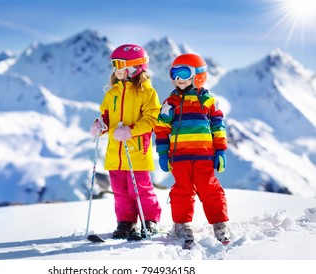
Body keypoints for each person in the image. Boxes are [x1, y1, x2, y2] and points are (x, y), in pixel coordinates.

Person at [154, 53, 230, 249]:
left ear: (198, 75)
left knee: (209, 189)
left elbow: (218, 127)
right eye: (174, 73)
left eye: (183, 73)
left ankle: (220, 223)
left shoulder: (208, 100)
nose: (177, 79)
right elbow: (161, 128)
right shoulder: (170, 103)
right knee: (182, 191)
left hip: (205, 155)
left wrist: (220, 151)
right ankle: (181, 224)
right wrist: (163, 153)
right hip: (179, 157)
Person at [90, 44, 162, 239]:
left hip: (136, 151)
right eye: (114, 64)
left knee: (140, 190)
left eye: (120, 64)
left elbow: (151, 120)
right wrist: (100, 125)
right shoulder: (112, 93)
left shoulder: (147, 93)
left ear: (135, 66)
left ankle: (150, 221)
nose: (116, 69)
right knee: (120, 192)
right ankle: (126, 222)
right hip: (115, 153)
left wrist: (131, 131)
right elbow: (106, 116)